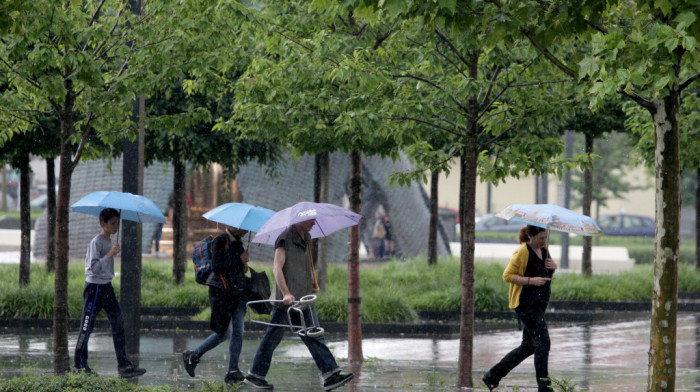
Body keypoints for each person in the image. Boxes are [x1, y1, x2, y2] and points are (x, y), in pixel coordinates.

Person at [244, 219, 354, 391]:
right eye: (311, 220)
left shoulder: (307, 238)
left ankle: (256, 376)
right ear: (300, 220)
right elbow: (277, 268)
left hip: (302, 300)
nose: (314, 222)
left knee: (310, 335)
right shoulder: (284, 238)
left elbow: (303, 266)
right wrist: (286, 293)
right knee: (280, 339)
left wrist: (311, 282)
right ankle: (330, 374)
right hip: (287, 302)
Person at [482, 225, 557, 392]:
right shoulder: (522, 252)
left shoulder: (544, 250)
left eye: (546, 237)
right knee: (543, 342)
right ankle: (544, 387)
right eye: (540, 238)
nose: (543, 241)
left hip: (539, 304)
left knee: (529, 346)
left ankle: (492, 376)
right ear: (530, 236)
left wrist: (553, 266)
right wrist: (531, 281)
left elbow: (546, 275)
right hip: (526, 304)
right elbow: (507, 275)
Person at [73, 208, 146, 378]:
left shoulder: (110, 242)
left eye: (117, 223)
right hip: (94, 288)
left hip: (107, 287)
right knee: (86, 326)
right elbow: (93, 268)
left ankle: (124, 365)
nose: (115, 227)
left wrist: (111, 252)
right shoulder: (96, 242)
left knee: (118, 324)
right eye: (112, 223)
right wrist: (110, 254)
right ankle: (79, 365)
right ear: (102, 223)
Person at [182, 226, 250, 385]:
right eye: (242, 228)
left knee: (238, 332)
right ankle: (193, 355)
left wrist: (244, 266)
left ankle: (233, 370)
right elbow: (218, 266)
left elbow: (234, 269)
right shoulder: (220, 241)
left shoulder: (239, 244)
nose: (245, 230)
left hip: (237, 294)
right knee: (224, 332)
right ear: (233, 226)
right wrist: (239, 260)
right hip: (221, 293)